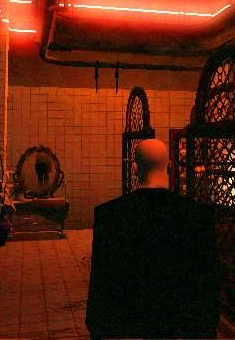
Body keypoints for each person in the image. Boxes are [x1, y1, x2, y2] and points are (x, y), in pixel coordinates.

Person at [86, 139, 220, 339]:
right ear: (170, 166)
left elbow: (102, 277)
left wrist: (98, 326)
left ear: (134, 169)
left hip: (130, 318)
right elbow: (207, 278)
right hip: (181, 317)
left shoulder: (109, 214)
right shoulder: (197, 214)